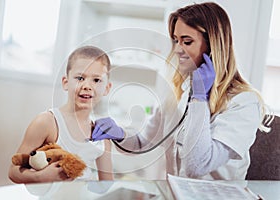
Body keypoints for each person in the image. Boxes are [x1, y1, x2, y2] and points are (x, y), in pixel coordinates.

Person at [91, 2, 266, 180]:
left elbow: (196, 167)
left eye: (187, 41)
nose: (177, 49)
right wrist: (119, 134)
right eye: (176, 40)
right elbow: (143, 142)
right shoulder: (180, 92)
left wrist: (200, 100)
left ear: (213, 47)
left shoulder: (243, 102)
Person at [8, 46, 114, 183]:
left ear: (107, 88)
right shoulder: (46, 123)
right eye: (80, 78)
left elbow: (107, 184)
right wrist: (39, 176)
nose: (87, 86)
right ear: (66, 82)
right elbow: (13, 171)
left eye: (96, 80)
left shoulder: (102, 135)